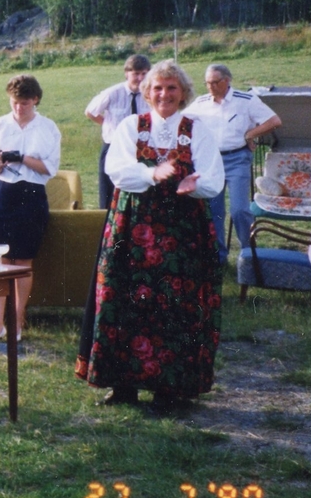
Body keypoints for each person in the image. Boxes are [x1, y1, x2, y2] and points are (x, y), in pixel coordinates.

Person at [76, 60, 224, 413]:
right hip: (133, 228)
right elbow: (117, 171)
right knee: (123, 298)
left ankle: (169, 388)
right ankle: (122, 386)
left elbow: (213, 177)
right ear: (147, 92)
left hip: (181, 233)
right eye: (157, 88)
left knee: (175, 304)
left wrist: (195, 184)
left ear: (183, 93)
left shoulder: (196, 129)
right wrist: (153, 173)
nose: (164, 94)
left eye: (171, 88)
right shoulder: (131, 126)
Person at [0, 75, 61, 345]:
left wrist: (22, 158)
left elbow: (49, 168)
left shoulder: (48, 128)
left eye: (25, 103)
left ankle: (16, 323)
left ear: (35, 100)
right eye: (15, 102)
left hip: (32, 193)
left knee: (23, 262)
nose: (19, 108)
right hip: (3, 193)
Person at [184, 63, 282, 262]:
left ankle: (249, 254)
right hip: (211, 162)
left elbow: (274, 121)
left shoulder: (246, 101)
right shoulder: (201, 103)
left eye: (215, 82)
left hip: (237, 159)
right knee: (214, 211)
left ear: (227, 81)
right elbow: (181, 122)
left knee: (239, 210)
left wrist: (250, 134)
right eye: (207, 83)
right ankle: (218, 257)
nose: (210, 86)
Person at [85, 55, 151, 209]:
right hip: (113, 147)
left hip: (140, 149)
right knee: (108, 193)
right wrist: (107, 125)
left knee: (139, 191)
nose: (140, 78)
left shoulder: (150, 94)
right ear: (127, 73)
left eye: (144, 73)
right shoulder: (113, 93)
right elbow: (90, 112)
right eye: (136, 73)